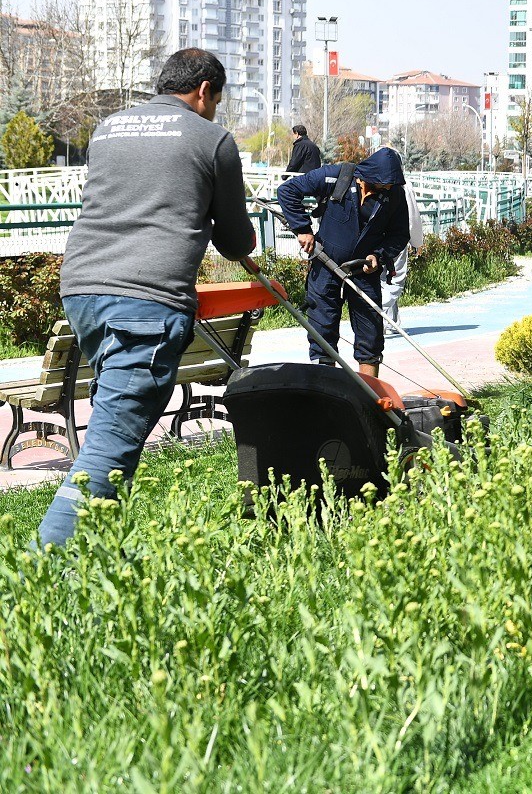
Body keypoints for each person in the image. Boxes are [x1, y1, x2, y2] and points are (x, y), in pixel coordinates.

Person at [38, 49, 256, 547]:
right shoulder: (212, 139)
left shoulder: (109, 128)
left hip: (83, 291)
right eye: (216, 101)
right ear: (204, 90)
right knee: (109, 448)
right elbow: (235, 241)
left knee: (113, 424)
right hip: (146, 302)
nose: (215, 110)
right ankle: (43, 571)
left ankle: (98, 552)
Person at [276, 148, 410, 378]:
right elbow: (288, 190)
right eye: (384, 184)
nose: (388, 188)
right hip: (325, 265)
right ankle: (328, 388)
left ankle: (370, 394)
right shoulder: (336, 176)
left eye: (391, 184)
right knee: (322, 329)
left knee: (370, 333)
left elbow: (399, 235)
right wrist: (302, 229)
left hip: (363, 270)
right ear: (370, 176)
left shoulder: (394, 195)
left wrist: (379, 256)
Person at [381, 151, 425, 335]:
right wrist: (417, 241)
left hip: (374, 239)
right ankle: (376, 314)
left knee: (382, 280)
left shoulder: (373, 183)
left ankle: (392, 322)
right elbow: (412, 217)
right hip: (396, 241)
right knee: (395, 281)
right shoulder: (404, 186)